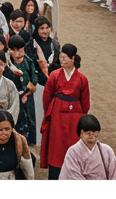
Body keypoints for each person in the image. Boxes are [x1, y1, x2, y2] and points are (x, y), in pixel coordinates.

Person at [40, 43, 89, 180]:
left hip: (75, 118)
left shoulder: (82, 79)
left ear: (73, 58)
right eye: (61, 57)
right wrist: (50, 114)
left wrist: (80, 116)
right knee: (57, 147)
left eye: (65, 57)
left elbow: (85, 103)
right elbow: (47, 98)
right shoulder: (54, 75)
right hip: (56, 115)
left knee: (73, 146)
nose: (62, 60)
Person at [59, 114, 116, 180]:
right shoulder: (73, 152)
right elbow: (72, 176)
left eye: (94, 132)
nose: (92, 135)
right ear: (81, 133)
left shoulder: (106, 150)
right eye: (88, 133)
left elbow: (115, 175)